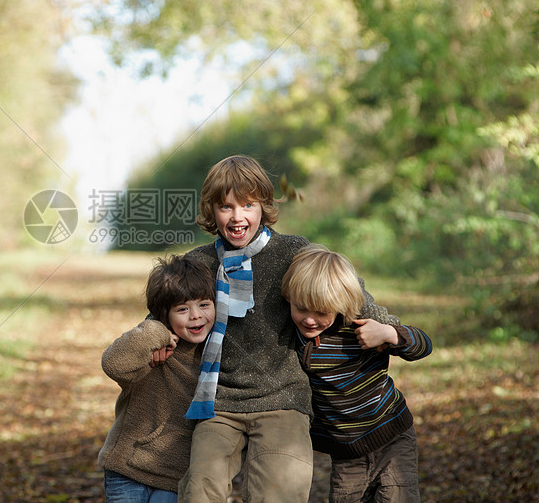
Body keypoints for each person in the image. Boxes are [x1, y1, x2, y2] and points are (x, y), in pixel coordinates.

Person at [178, 154, 401, 503]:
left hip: (283, 399)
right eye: (225, 207)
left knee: (280, 493)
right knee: (198, 490)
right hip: (219, 403)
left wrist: (387, 326)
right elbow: (166, 309)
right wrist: (155, 338)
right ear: (211, 211)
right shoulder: (200, 262)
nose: (238, 217)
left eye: (248, 204)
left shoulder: (291, 251)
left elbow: (343, 285)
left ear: (264, 206)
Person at [281, 245, 432, 502]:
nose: (309, 320)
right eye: (302, 309)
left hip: (391, 438)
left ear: (339, 306)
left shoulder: (362, 329)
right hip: (346, 455)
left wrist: (388, 333)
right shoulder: (293, 337)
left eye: (321, 313)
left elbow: (423, 345)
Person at [99, 254, 217, 502]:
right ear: (164, 315)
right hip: (126, 468)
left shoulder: (217, 354)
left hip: (175, 478)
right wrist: (155, 330)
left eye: (204, 305)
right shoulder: (152, 349)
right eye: (183, 309)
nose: (196, 315)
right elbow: (112, 363)